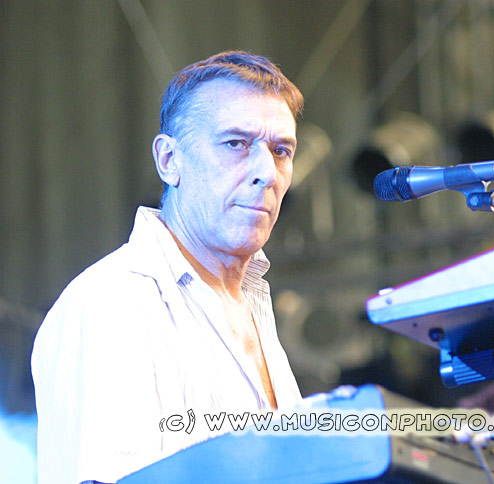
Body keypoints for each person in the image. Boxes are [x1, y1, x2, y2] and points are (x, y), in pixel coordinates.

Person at [31, 50, 304, 484]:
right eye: (236, 143)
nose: (267, 172)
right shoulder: (111, 301)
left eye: (281, 150)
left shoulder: (251, 300)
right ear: (169, 161)